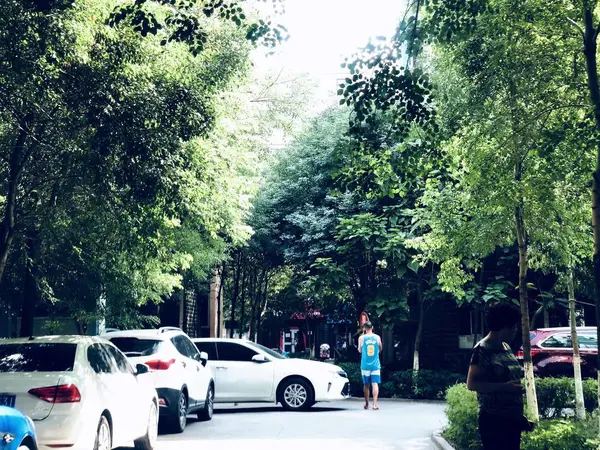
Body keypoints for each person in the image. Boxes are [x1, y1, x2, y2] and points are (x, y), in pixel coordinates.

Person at [467, 303, 531, 450]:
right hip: (494, 420)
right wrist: (504, 387)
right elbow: (472, 384)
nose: (515, 330)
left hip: (511, 418)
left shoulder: (505, 347)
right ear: (504, 327)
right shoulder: (482, 350)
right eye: (513, 326)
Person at [358, 321, 382, 410]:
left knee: (366, 385)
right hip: (375, 365)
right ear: (372, 327)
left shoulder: (361, 338)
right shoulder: (377, 337)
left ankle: (367, 404)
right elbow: (381, 348)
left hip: (365, 365)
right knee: (375, 384)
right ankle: (375, 404)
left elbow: (359, 350)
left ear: (365, 328)